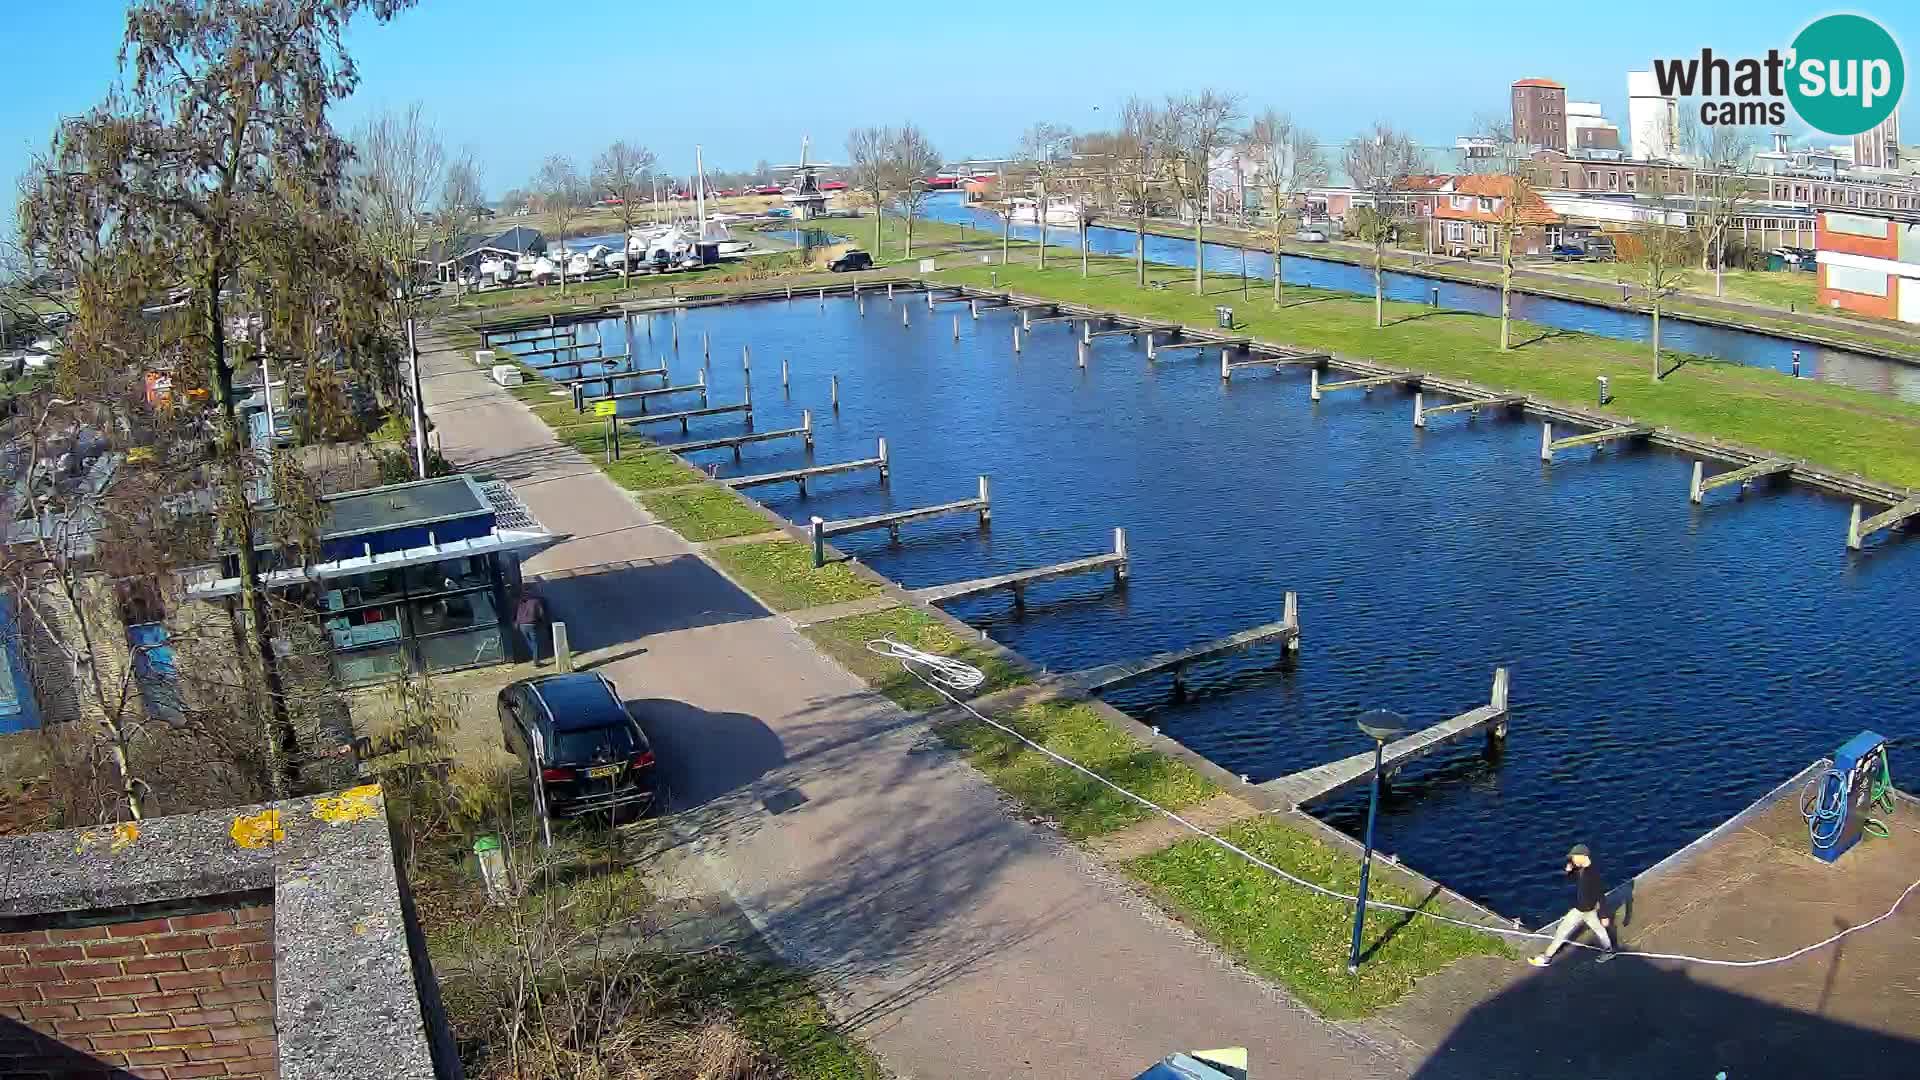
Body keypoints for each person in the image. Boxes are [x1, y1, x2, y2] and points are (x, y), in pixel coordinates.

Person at [1530, 843, 1615, 966]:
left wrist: (1604, 915)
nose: (1572, 859)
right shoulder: (1581, 869)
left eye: (1574, 857)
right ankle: (1609, 951)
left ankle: (1546, 958)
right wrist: (1570, 872)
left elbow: (1600, 895)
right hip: (1586, 909)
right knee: (1599, 930)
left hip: (1583, 910)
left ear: (1583, 856)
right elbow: (1575, 881)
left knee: (1562, 931)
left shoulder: (1593, 873)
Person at [513, 585, 545, 666]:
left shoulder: (520, 602)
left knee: (530, 642)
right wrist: (542, 622)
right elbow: (541, 613)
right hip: (531, 624)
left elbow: (518, 613)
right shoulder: (536, 601)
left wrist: (517, 624)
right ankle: (536, 662)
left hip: (522, 625)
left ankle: (534, 658)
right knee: (535, 643)